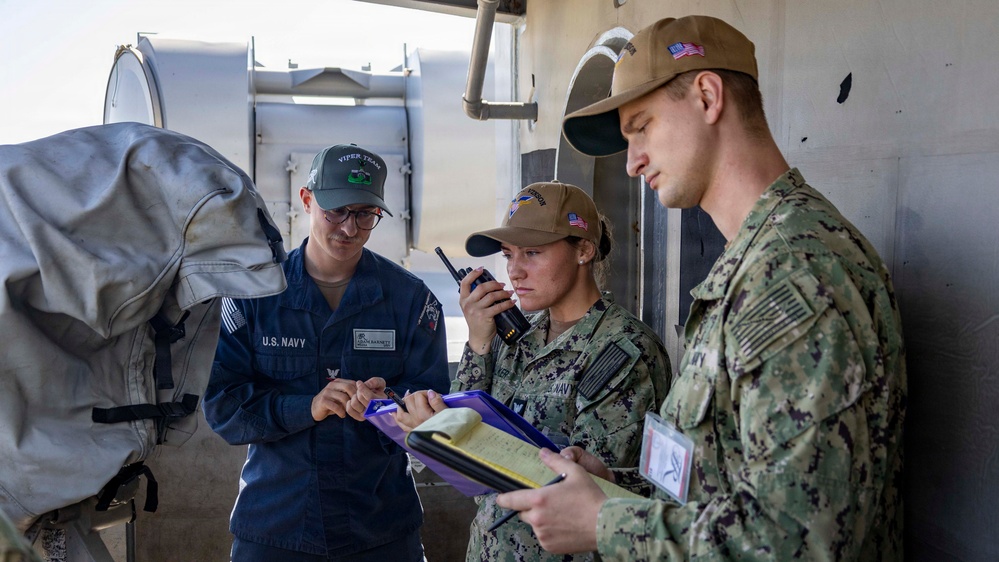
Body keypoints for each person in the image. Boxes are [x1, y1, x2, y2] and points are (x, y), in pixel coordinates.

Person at [495, 14, 907, 562]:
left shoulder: (791, 273)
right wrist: (615, 490)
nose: (634, 159)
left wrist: (608, 524)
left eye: (642, 126)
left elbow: (795, 541)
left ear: (708, 96)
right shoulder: (753, 260)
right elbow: (725, 483)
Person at [395, 181, 672, 562]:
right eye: (509, 255)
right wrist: (478, 342)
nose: (515, 271)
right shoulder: (518, 337)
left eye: (532, 253)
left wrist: (463, 439)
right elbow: (471, 471)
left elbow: (589, 490)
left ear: (584, 251)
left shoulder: (622, 351)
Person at [203, 144, 450, 561]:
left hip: (380, 531)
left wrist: (388, 404)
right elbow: (223, 406)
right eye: (335, 210)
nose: (349, 229)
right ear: (306, 200)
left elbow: (436, 410)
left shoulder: (412, 302)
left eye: (364, 215)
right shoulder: (253, 296)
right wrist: (307, 407)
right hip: (276, 529)